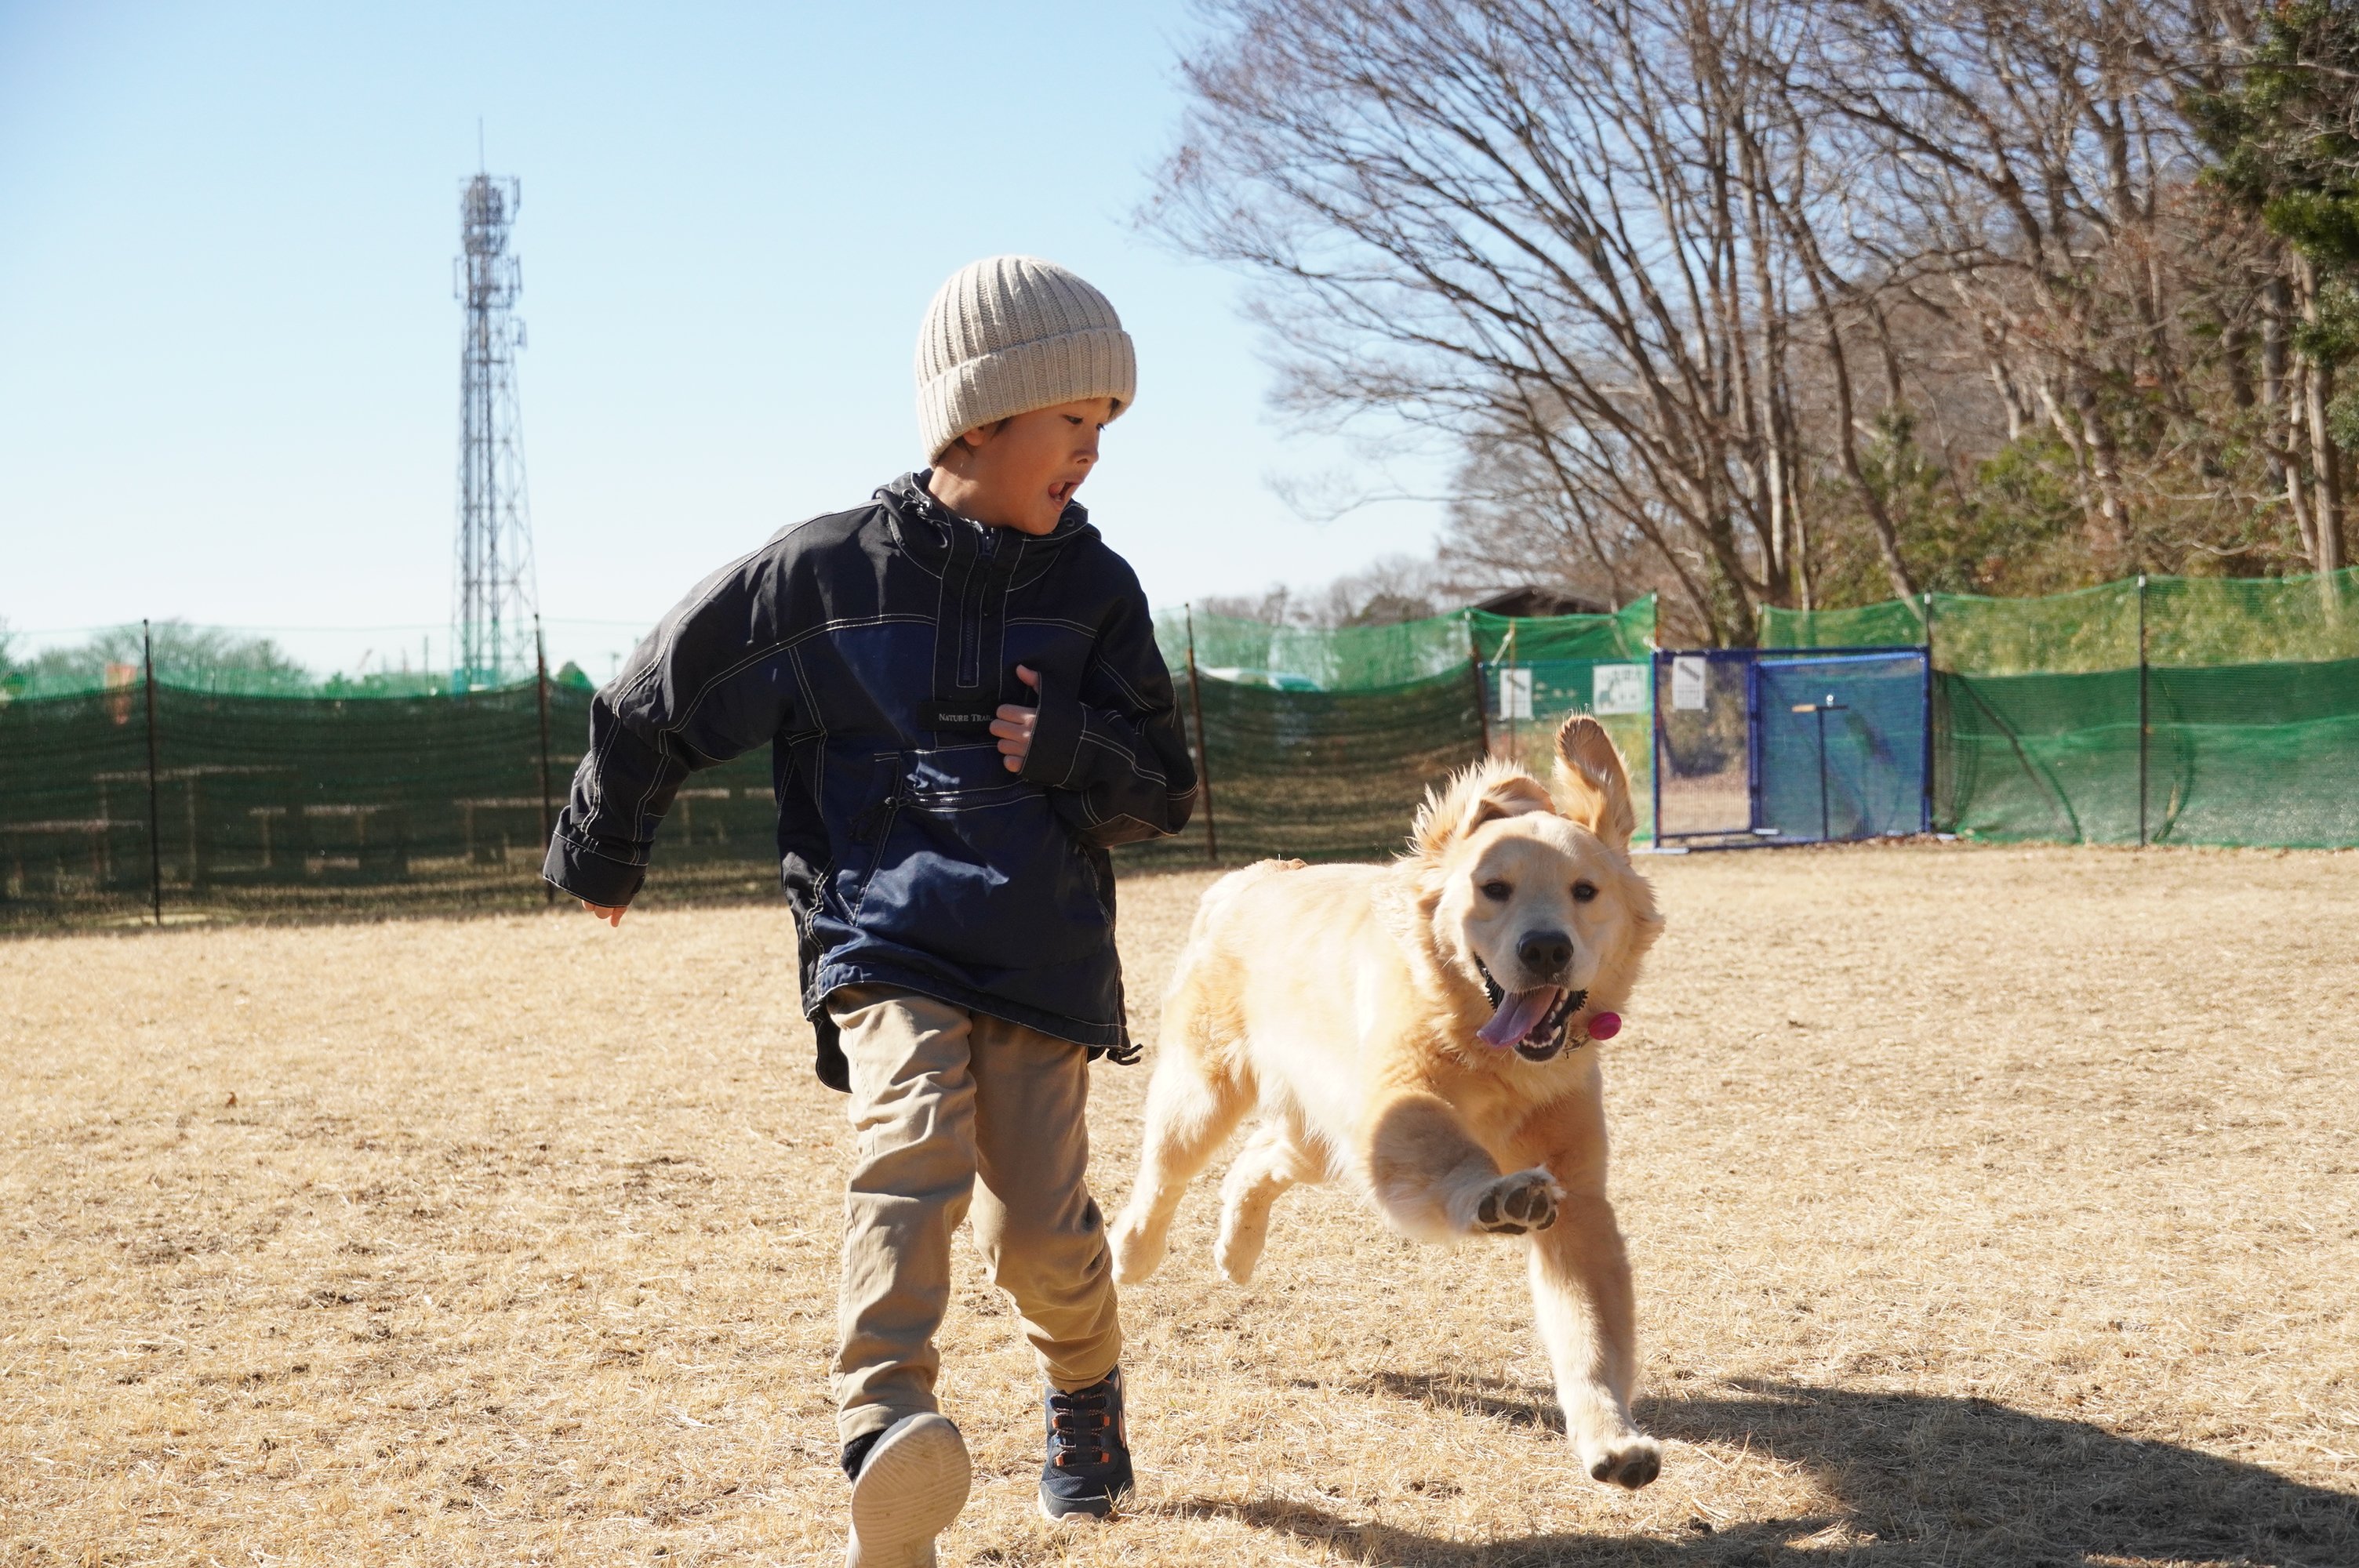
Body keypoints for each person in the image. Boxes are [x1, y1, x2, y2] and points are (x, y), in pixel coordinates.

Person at [542, 256, 1197, 1566]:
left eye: (1108, 426)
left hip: (1042, 955)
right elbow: (655, 692)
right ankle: (886, 1426)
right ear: (978, 418)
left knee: (1041, 1240)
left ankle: (1084, 1394)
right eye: (1075, 419)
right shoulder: (825, 575)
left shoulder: (1098, 592)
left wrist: (1068, 748)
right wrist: (607, 848)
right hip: (884, 937)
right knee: (908, 1156)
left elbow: (1164, 789)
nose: (1094, 451)